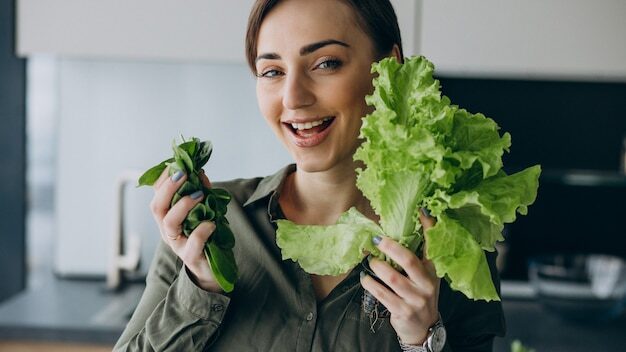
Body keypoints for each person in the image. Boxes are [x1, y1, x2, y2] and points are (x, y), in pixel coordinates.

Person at [114, 0, 505, 351]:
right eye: (271, 71)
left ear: (389, 67)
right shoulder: (209, 232)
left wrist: (423, 341)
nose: (293, 97)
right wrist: (202, 287)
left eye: (326, 63)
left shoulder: (452, 241)